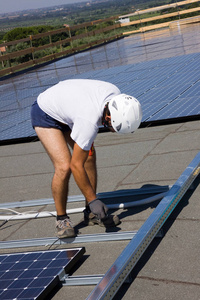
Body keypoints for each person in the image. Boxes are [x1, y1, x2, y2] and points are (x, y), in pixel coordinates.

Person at [31, 79, 142, 238]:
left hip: (69, 107)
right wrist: (93, 199)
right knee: (64, 166)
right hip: (46, 111)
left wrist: (92, 203)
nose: (112, 131)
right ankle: (62, 220)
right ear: (109, 116)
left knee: (88, 157)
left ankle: (90, 214)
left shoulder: (116, 95)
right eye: (113, 128)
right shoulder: (89, 121)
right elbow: (76, 165)